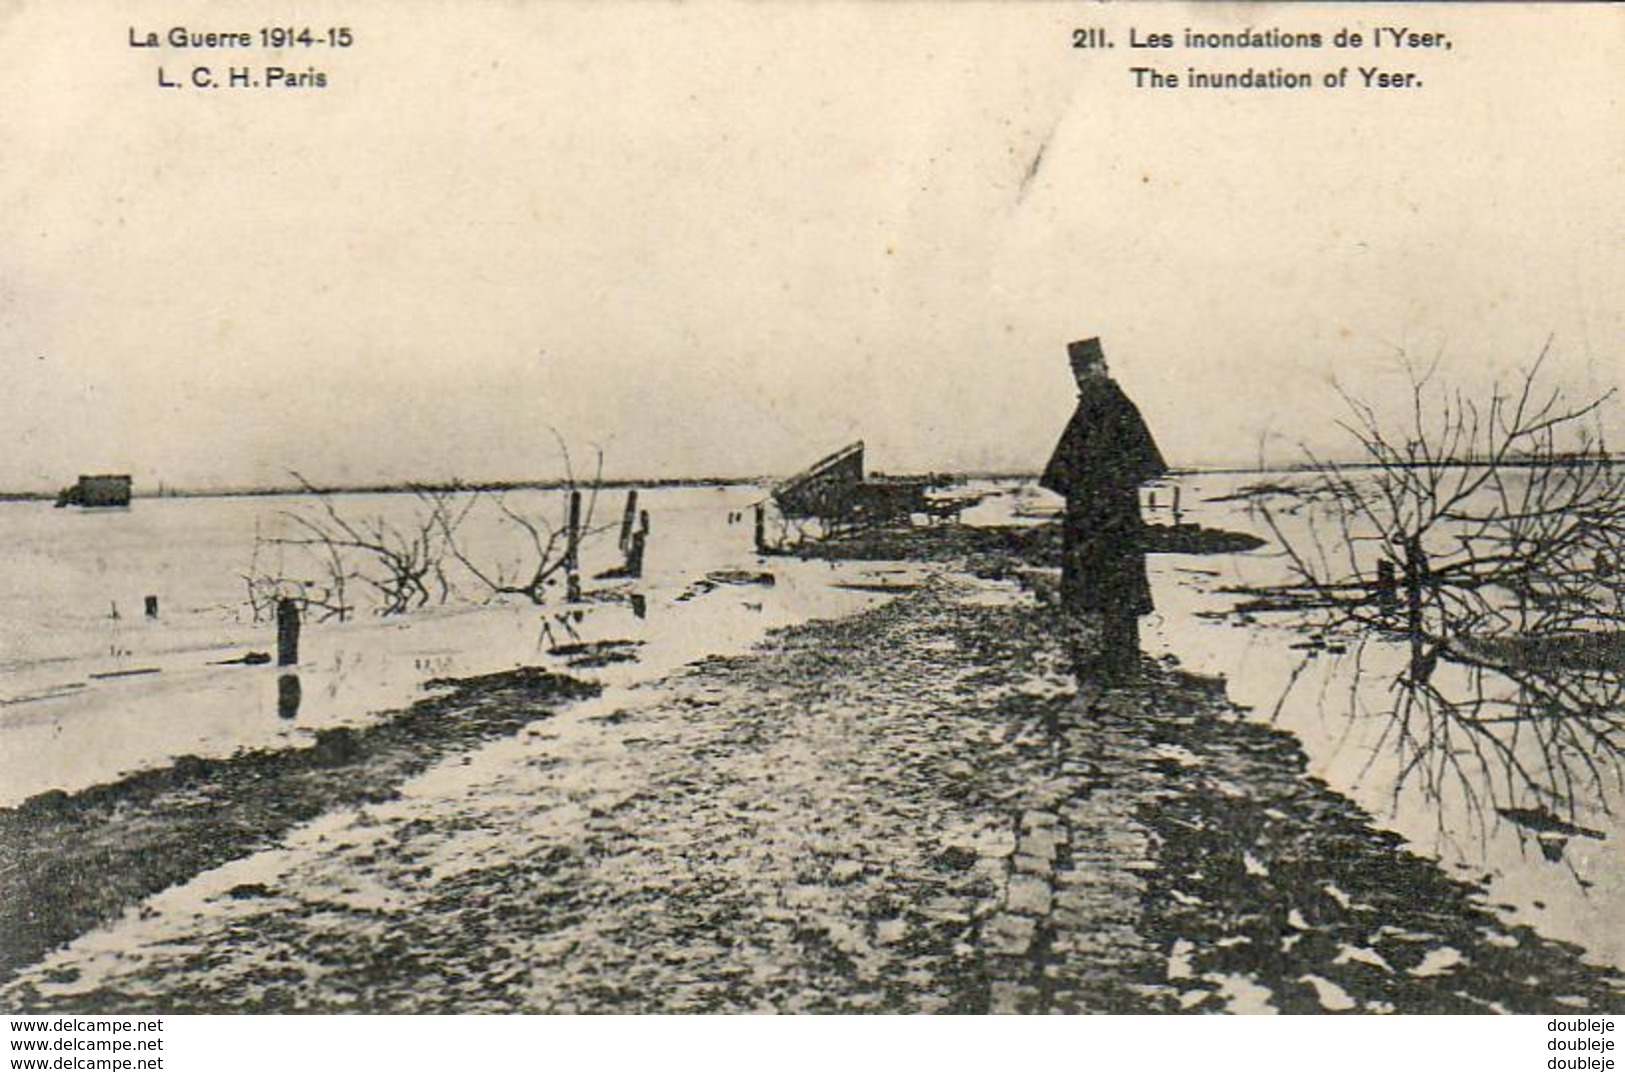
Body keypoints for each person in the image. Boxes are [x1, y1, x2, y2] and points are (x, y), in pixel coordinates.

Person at [1040, 337, 1168, 682]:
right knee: (1106, 590)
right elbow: (1068, 469)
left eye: (1086, 369)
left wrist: (1105, 489)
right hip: (1098, 515)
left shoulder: (1117, 406)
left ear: (1103, 366)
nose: (1081, 377)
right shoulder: (1093, 407)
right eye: (1076, 371)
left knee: (1116, 591)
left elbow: (1143, 463)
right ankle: (1116, 664)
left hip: (1114, 518)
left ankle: (1123, 666)